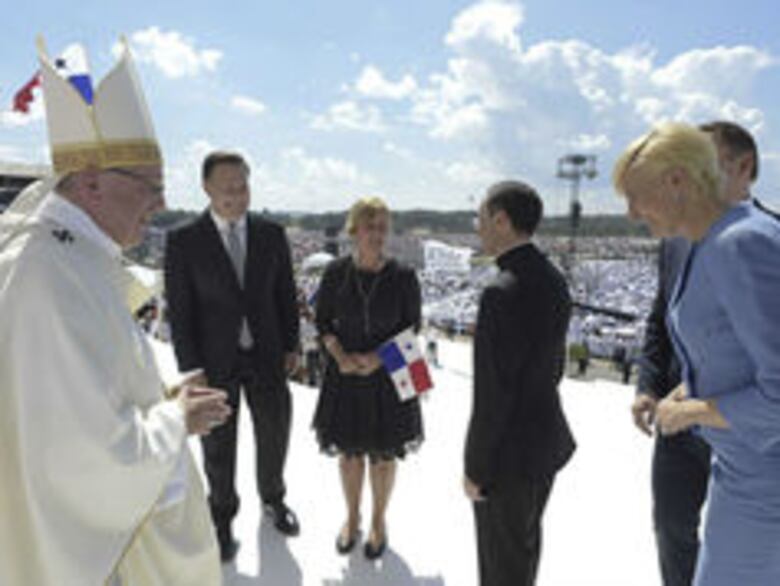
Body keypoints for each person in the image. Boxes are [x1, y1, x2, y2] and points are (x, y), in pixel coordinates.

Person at [0, 39, 230, 585]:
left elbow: (87, 395)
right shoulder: (46, 278)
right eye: (151, 186)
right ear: (93, 184)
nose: (163, 203)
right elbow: (84, 462)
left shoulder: (71, 252)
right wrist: (177, 419)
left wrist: (161, 400)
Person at [614, 122, 780, 586]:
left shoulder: (742, 243)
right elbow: (732, 352)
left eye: (635, 195)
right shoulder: (716, 242)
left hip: (765, 482)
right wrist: (683, 391)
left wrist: (691, 412)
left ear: (676, 181)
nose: (630, 213)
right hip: (741, 470)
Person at [164, 151, 301, 561]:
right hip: (214, 362)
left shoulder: (271, 234)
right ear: (206, 188)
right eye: (228, 190)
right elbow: (181, 311)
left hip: (267, 355)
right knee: (218, 445)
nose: (238, 197)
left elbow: (285, 296)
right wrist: (191, 369)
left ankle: (274, 498)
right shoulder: (184, 240)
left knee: (274, 432)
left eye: (243, 187)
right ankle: (221, 515)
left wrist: (291, 344)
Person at [464, 181, 575, 586]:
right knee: (524, 551)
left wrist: (475, 467)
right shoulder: (553, 278)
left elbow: (492, 395)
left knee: (500, 564)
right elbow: (554, 365)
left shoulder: (500, 291)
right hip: (544, 443)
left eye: (481, 219)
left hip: (507, 458)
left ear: (502, 220)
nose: (478, 228)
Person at [313, 196, 424, 560]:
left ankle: (378, 520)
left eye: (382, 227)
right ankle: (352, 517)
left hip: (390, 375)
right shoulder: (335, 273)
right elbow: (323, 323)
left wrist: (378, 358)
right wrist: (341, 357)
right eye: (369, 227)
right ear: (354, 230)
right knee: (348, 456)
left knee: (383, 457)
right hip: (344, 375)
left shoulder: (404, 277)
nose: (377, 234)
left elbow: (413, 327)